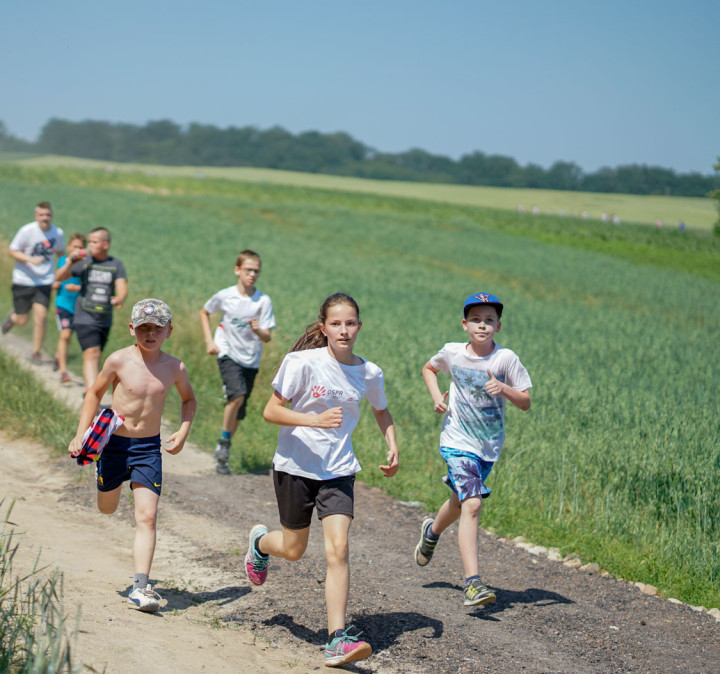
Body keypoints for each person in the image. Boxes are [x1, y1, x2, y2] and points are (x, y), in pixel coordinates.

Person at [244, 292, 400, 668]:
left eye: (350, 323)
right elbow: (270, 411)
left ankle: (336, 639)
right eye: (336, 324)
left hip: (338, 470)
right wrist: (313, 420)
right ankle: (261, 544)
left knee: (338, 549)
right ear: (323, 328)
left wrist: (392, 445)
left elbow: (381, 410)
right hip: (295, 466)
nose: (343, 330)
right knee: (294, 549)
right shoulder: (301, 363)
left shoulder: (369, 372)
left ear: (359, 326)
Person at [67, 298, 196, 614]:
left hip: (148, 449)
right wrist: (81, 434)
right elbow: (95, 393)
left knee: (147, 516)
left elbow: (189, 400)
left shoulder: (174, 367)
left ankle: (140, 588)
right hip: (113, 445)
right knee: (107, 508)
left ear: (169, 331)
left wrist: (183, 431)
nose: (150, 334)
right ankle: (107, 487)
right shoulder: (119, 361)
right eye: (143, 328)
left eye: (157, 328)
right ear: (132, 329)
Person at [415, 292, 532, 607]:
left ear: (499, 326)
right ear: (464, 324)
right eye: (477, 320)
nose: (483, 326)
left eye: (490, 320)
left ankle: (432, 531)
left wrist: (504, 388)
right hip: (456, 442)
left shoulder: (506, 359)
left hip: (488, 448)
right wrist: (436, 396)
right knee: (473, 505)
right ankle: (473, 583)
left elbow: (525, 402)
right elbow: (429, 368)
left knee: (459, 502)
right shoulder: (453, 353)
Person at [199, 249, 276, 474]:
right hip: (227, 352)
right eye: (248, 270)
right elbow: (204, 312)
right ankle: (224, 443)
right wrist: (209, 341)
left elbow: (268, 336)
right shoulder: (225, 296)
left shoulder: (263, 301)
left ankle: (223, 454)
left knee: (240, 409)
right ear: (237, 270)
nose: (252, 275)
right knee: (237, 395)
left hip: (251, 359)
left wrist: (258, 330)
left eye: (256, 271)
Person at [55, 227, 128, 390]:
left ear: (105, 245)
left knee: (97, 354)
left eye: (95, 242)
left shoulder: (115, 264)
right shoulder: (84, 263)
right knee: (92, 353)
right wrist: (70, 263)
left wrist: (119, 298)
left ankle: (91, 390)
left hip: (104, 319)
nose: (90, 246)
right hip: (84, 317)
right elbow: (59, 278)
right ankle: (91, 394)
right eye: (90, 242)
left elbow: (122, 286)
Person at [0, 201, 65, 363]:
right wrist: (30, 259)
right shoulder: (27, 231)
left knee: (41, 317)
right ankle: (13, 317)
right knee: (22, 320)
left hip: (44, 281)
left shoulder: (57, 233)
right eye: (42, 215)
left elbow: (60, 253)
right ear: (36, 216)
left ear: (51, 216)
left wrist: (63, 273)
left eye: (48, 215)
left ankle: (36, 352)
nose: (45, 218)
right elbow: (12, 250)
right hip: (23, 280)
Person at [52, 232, 86, 385]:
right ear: (68, 247)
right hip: (63, 304)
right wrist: (55, 284)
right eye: (74, 246)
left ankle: (59, 355)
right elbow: (57, 277)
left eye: (80, 247)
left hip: (79, 306)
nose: (77, 250)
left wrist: (77, 288)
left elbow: (88, 285)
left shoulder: (86, 264)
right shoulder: (62, 261)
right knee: (65, 335)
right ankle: (63, 372)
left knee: (72, 336)